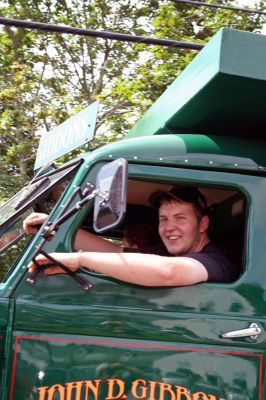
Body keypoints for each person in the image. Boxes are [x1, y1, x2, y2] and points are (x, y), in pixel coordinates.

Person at [24, 185, 238, 286]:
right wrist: (55, 226)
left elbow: (167, 272)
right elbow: (115, 251)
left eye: (180, 218)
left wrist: (78, 259)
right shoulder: (167, 253)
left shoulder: (215, 262)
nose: (169, 227)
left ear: (203, 224)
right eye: (164, 219)